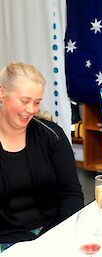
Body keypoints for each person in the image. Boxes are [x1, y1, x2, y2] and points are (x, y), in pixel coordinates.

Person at [0, 62, 84, 250]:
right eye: (25, 100)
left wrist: (61, 234)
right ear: (1, 93)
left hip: (51, 232)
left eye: (37, 102)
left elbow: (71, 194)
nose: (31, 109)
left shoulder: (51, 135)